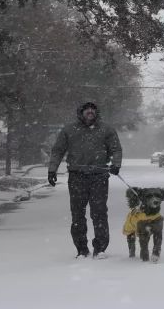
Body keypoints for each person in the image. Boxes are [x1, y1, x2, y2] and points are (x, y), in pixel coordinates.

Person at [47, 102, 123, 259]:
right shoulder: (69, 130)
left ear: (96, 112)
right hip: (77, 177)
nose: (90, 111)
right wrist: (52, 170)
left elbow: (116, 148)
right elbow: (58, 150)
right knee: (77, 214)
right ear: (80, 112)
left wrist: (116, 164)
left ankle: (100, 248)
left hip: (99, 177)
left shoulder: (106, 129)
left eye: (93, 109)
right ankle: (81, 249)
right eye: (87, 109)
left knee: (99, 212)